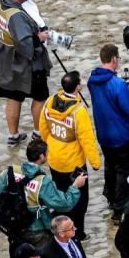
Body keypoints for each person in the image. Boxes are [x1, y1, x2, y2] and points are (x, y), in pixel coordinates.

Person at [0, 0, 52, 145]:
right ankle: (37, 134)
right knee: (40, 97)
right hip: (27, 64)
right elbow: (26, 45)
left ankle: (13, 136)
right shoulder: (17, 15)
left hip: (6, 60)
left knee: (13, 96)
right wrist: (39, 37)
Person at [0, 139, 84, 258]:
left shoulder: (11, 171)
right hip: (37, 229)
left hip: (13, 226)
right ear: (42, 156)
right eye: (47, 153)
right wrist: (75, 187)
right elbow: (64, 205)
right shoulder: (43, 182)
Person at [39, 71, 100, 241]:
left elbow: (43, 126)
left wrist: (48, 145)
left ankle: (59, 229)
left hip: (54, 158)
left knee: (60, 196)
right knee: (80, 200)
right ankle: (77, 233)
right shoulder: (79, 111)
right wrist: (95, 162)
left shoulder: (50, 101)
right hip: (74, 163)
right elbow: (87, 140)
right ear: (78, 87)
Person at [86, 44, 129, 224]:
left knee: (110, 165)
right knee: (125, 170)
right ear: (114, 59)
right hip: (121, 135)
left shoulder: (92, 80)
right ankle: (120, 209)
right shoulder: (116, 84)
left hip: (103, 134)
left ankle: (110, 197)